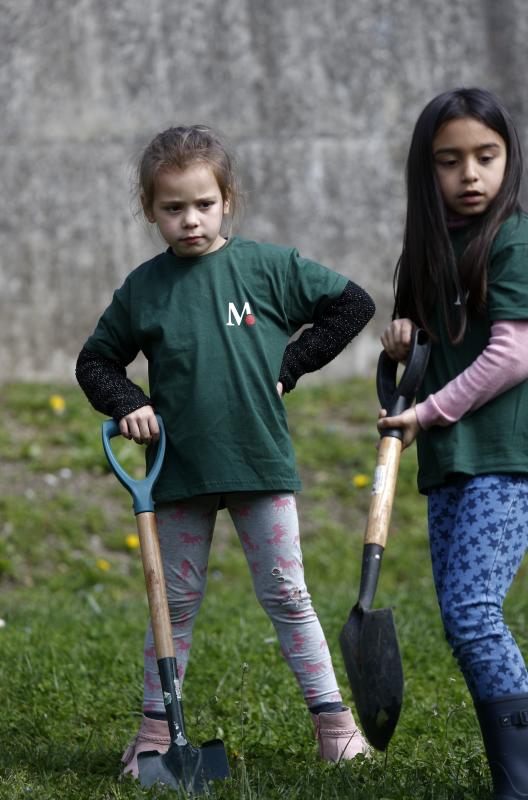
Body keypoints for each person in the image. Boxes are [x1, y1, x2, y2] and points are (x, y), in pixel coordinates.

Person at [76, 124, 375, 777]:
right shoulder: (143, 288)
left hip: (259, 461)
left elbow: (353, 304)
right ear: (150, 210)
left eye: (203, 204)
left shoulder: (269, 268)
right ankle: (155, 736)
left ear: (227, 198)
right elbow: (95, 363)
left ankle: (335, 727)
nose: (190, 220)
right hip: (177, 471)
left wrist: (290, 365)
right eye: (173, 207)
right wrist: (130, 404)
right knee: (173, 603)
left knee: (287, 593)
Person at [378, 88, 528, 799]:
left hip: (506, 459)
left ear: (509, 160)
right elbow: (435, 344)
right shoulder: (429, 252)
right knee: (460, 620)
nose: (470, 174)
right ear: (425, 169)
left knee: (472, 614)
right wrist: (407, 337)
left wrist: (427, 413)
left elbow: (513, 355)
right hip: (451, 464)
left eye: (486, 156)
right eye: (450, 160)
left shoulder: (514, 239)